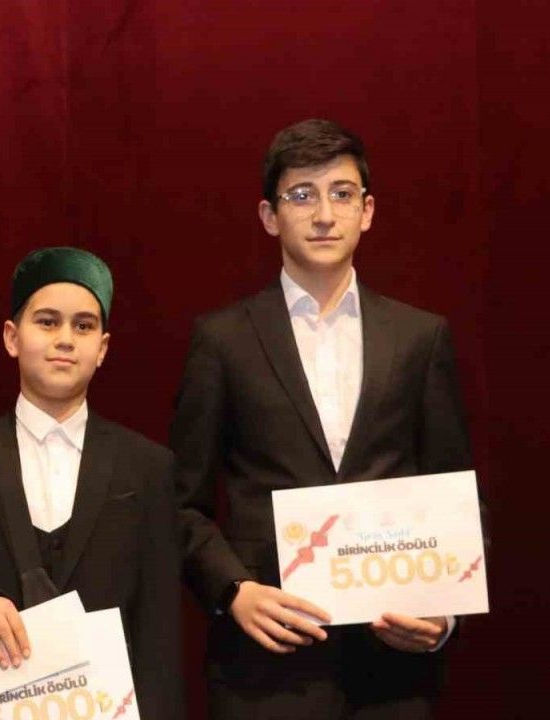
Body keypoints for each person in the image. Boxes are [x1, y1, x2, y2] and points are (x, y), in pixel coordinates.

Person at [169, 119, 474, 718]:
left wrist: (446, 613)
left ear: (367, 211)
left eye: (342, 193)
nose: (325, 215)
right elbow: (180, 503)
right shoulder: (223, 340)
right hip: (266, 664)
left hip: (394, 666)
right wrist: (233, 591)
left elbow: (457, 493)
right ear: (269, 215)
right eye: (302, 195)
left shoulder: (421, 337)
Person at [0, 247, 185, 719]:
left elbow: (159, 630)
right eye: (48, 322)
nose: (65, 340)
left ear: (103, 348)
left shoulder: (148, 467)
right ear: (12, 337)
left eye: (83, 326)